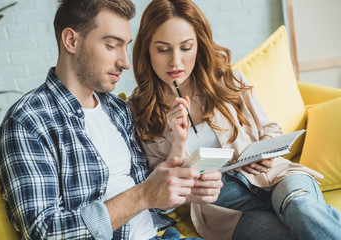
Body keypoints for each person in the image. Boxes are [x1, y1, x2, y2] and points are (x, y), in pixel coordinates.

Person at [0, 0, 222, 239]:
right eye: (112, 45)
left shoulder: (118, 110)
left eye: (125, 47)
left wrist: (182, 188)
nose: (125, 62)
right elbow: (44, 232)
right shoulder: (29, 121)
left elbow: (151, 202)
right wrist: (142, 194)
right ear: (71, 41)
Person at [129, 0, 341, 239]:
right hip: (224, 209)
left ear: (199, 44)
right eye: (163, 49)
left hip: (276, 177)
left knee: (302, 210)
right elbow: (162, 192)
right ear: (146, 48)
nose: (175, 61)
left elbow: (270, 128)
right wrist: (178, 142)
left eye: (186, 47)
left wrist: (265, 154)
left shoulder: (228, 80)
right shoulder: (139, 112)